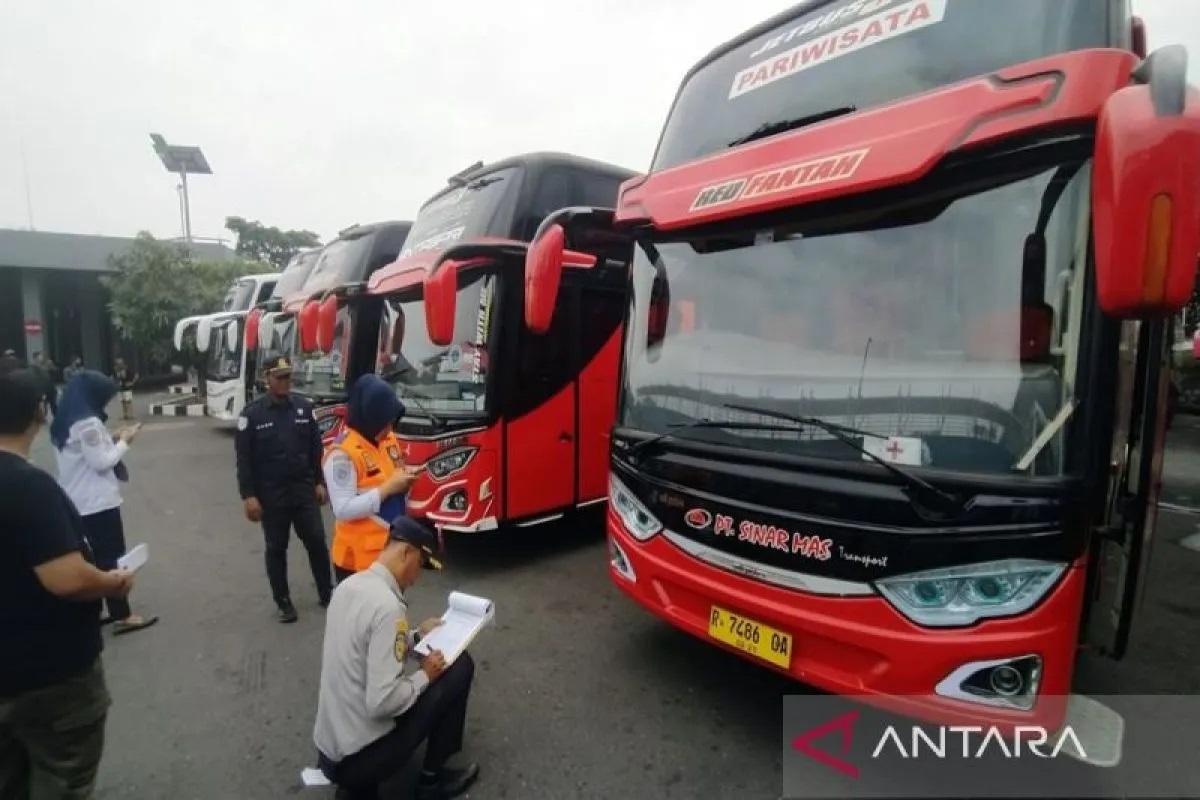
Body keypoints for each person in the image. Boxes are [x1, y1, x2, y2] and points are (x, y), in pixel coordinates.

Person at [0, 368, 135, 798]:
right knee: (63, 782)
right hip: (48, 677)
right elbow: (66, 579)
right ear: (38, 412)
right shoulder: (27, 487)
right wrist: (113, 584)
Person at [313, 516, 479, 800]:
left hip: (331, 752)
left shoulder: (349, 587)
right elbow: (383, 702)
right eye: (420, 567)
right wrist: (426, 674)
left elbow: (364, 651)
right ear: (406, 552)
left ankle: (357, 786)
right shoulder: (388, 608)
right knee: (460, 665)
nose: (415, 579)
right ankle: (431, 782)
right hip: (361, 759)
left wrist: (414, 637)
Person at [51, 370, 159, 636]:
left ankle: (96, 611)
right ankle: (122, 615)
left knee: (93, 560)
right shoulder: (87, 422)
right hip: (97, 502)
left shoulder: (65, 418)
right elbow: (101, 462)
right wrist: (124, 442)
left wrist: (110, 439)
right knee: (112, 558)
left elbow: (84, 455)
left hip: (78, 501)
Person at [235, 355, 334, 622]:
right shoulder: (252, 415)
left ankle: (328, 593)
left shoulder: (304, 408)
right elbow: (244, 459)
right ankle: (283, 601)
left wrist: (319, 482)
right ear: (267, 379)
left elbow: (316, 449)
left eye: (288, 376)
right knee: (276, 548)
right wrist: (249, 496)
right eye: (279, 377)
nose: (285, 382)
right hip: (271, 495)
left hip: (303, 490)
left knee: (316, 542)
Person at [323, 374, 420, 583]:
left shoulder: (387, 439)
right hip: (358, 563)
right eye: (384, 422)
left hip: (390, 554)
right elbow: (342, 509)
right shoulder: (343, 454)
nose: (389, 429)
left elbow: (394, 476)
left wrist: (406, 480)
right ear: (370, 416)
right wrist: (386, 490)